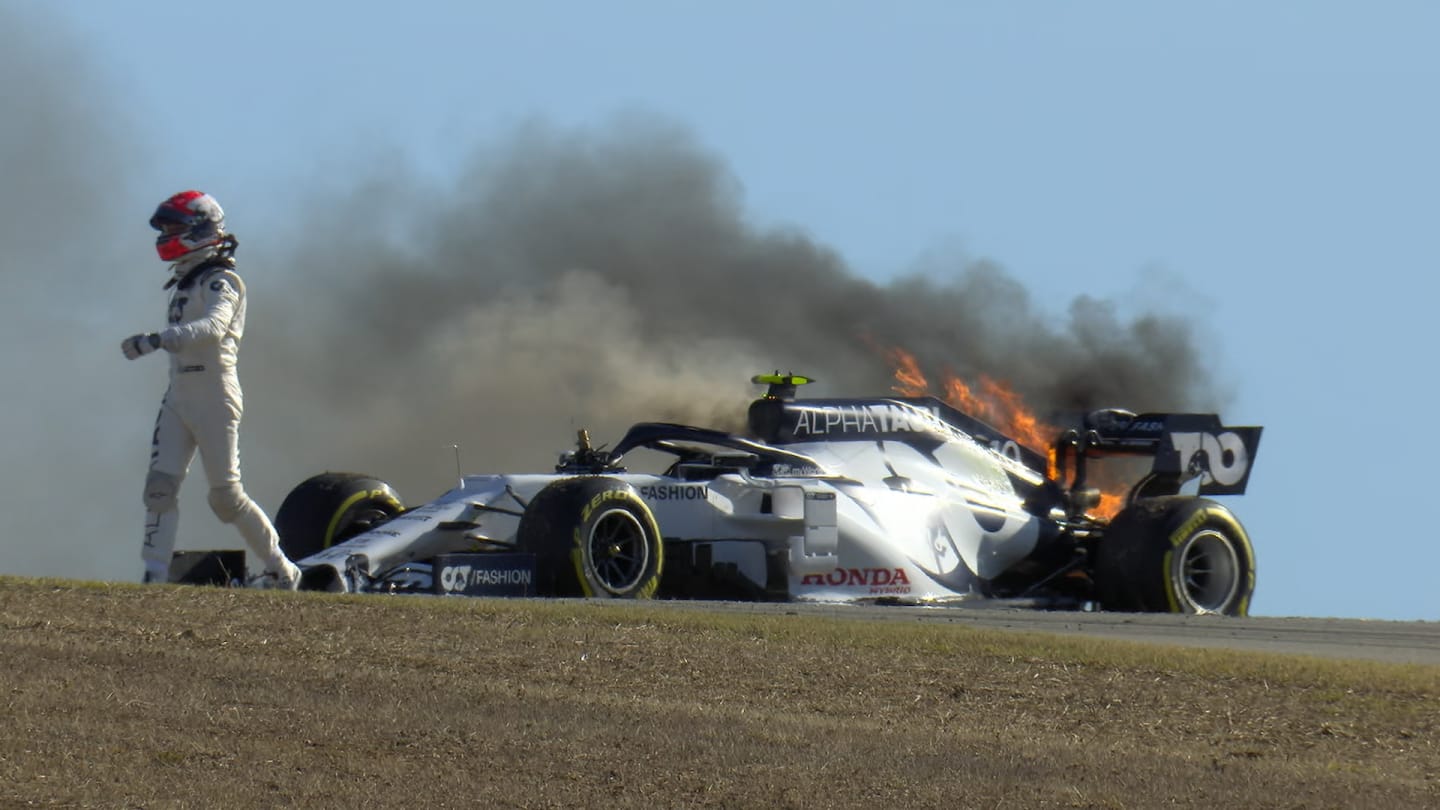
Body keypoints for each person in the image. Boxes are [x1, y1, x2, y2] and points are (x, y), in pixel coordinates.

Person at [121, 190, 301, 589]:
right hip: (179, 393)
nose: (166, 235)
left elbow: (213, 329)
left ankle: (282, 568)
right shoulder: (185, 281)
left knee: (225, 496)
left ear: (198, 230)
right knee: (160, 488)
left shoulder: (223, 280)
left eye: (173, 228)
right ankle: (153, 575)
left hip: (215, 393)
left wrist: (157, 340)